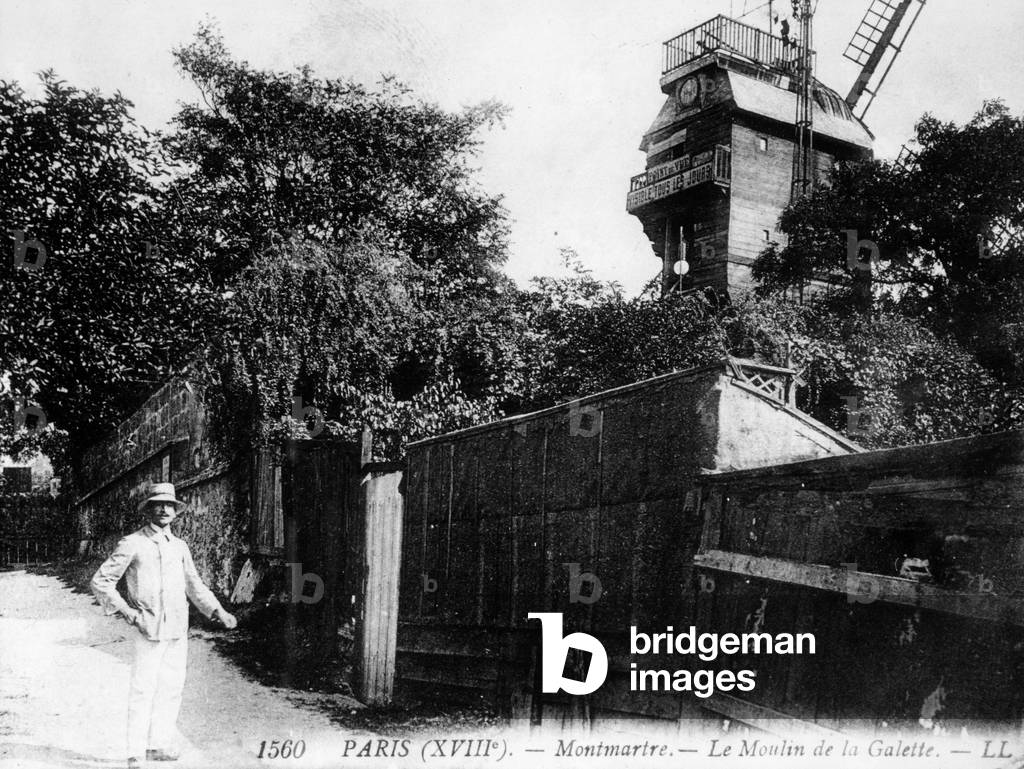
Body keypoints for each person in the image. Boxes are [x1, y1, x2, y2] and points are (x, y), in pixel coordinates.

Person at [90, 482, 237, 767]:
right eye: (157, 504)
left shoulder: (180, 547)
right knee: (143, 689)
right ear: (147, 510)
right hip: (148, 629)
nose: (163, 509)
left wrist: (218, 611)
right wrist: (130, 614)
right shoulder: (132, 543)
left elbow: (194, 586)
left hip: (177, 630)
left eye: (169, 504)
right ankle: (135, 752)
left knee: (171, 688)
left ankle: (157, 744)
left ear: (176, 511)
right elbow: (101, 582)